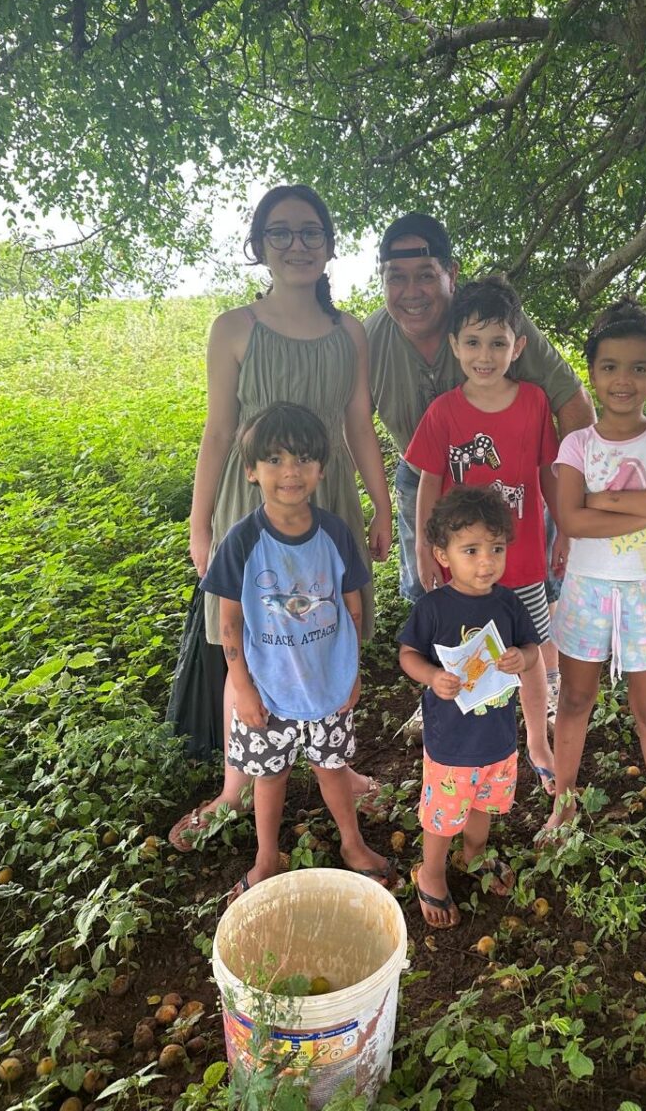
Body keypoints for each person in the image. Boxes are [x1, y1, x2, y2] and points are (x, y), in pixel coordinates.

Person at [168, 184, 391, 850]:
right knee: (253, 641)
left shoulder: (349, 330)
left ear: (329, 245)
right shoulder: (233, 328)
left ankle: (337, 766)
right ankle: (237, 787)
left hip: (329, 505)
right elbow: (217, 432)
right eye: (281, 233)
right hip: (255, 505)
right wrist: (200, 523)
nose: (297, 245)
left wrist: (382, 507)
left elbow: (358, 423)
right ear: (260, 244)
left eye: (310, 233)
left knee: (329, 633)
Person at [364, 211, 595, 749]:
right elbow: (349, 419)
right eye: (397, 277)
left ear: (452, 272)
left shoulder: (494, 318)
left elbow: (571, 401)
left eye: (426, 274)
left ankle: (547, 686)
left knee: (530, 591)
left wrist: (577, 498)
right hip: (426, 481)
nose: (412, 291)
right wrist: (394, 518)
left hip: (510, 483)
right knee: (441, 595)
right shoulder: (369, 337)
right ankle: (452, 691)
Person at [203, 402, 392, 901]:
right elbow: (229, 625)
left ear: (322, 468)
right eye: (276, 460)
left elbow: (352, 614)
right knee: (269, 776)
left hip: (327, 685)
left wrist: (350, 675)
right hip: (267, 689)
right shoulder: (240, 543)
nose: (291, 471)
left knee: (332, 769)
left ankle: (353, 844)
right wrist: (242, 688)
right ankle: (267, 858)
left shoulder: (335, 534)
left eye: (304, 459)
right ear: (251, 470)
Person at [542, 299, 646, 866]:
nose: (623, 380)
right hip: (586, 591)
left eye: (638, 367)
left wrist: (604, 498)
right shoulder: (577, 444)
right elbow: (571, 520)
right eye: (610, 366)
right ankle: (563, 804)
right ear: (592, 373)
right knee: (577, 699)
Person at [404, 275, 566, 794]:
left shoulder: (536, 403)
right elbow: (429, 481)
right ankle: (451, 731)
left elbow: (547, 474)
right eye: (472, 342)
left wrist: (562, 533)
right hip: (461, 567)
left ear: (517, 347)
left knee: (532, 653)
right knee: (457, 650)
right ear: (454, 346)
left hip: (519, 565)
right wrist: (424, 551)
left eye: (498, 343)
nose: (485, 354)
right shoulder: (444, 411)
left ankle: (537, 740)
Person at [399, 486, 540, 927]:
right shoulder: (434, 608)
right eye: (471, 550)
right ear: (443, 555)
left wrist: (524, 658)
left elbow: (532, 647)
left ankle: (474, 854)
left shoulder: (508, 602)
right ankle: (432, 871)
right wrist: (431, 677)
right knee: (442, 816)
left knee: (484, 805)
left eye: (496, 548)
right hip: (451, 743)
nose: (486, 562)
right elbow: (407, 655)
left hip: (496, 738)